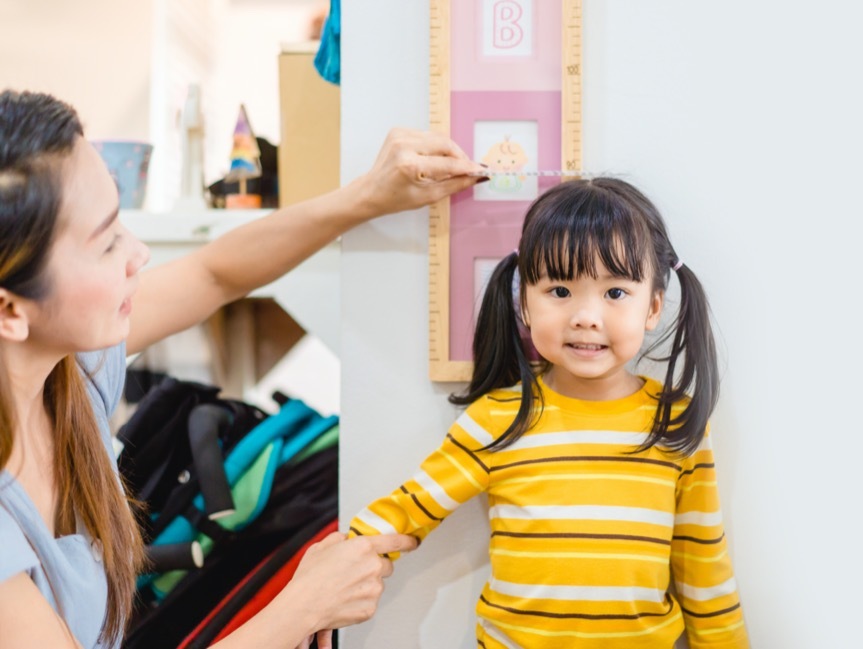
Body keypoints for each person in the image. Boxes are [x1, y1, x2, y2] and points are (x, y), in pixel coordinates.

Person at [0, 89, 484, 649]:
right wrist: (301, 607)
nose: (139, 254)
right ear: (11, 310)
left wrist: (367, 197)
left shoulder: (66, 373)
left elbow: (215, 274)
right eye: (106, 243)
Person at [348, 178, 750, 647]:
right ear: (525, 303)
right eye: (560, 291)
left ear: (653, 306)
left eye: (615, 293)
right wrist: (333, 569)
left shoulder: (676, 424)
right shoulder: (497, 420)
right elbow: (407, 510)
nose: (585, 315)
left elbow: (705, 571)